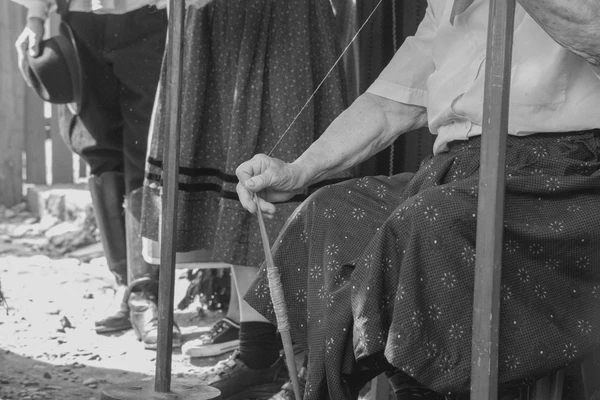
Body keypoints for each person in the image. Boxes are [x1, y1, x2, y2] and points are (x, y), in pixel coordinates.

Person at [235, 0, 600, 398]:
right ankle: (324, 389)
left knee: (431, 221)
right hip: (458, 172)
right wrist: (298, 171)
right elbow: (389, 106)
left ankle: (419, 390)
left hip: (562, 177)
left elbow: (593, 31)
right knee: (331, 211)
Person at [140, 0, 349, 397]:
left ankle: (268, 349)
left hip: (281, 17)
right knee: (232, 161)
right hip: (214, 17)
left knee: (268, 150)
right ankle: (256, 343)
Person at [12, 0, 180, 349]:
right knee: (98, 149)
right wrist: (36, 16)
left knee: (146, 151)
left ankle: (145, 294)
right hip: (80, 21)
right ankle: (124, 284)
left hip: (146, 16)